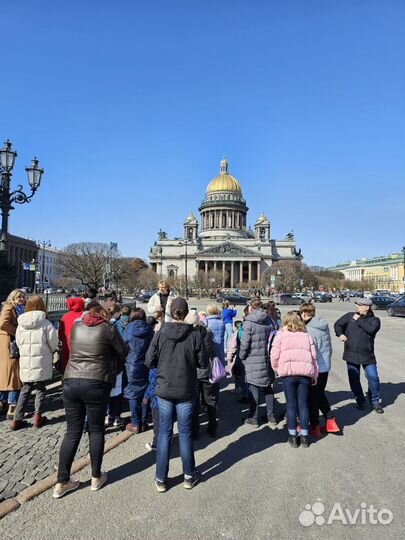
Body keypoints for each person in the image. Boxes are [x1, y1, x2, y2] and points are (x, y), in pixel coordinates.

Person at [53, 304, 128, 499]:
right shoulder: (108, 328)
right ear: (104, 315)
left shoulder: (77, 326)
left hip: (71, 380)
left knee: (72, 432)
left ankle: (62, 481)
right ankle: (96, 476)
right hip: (96, 381)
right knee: (95, 430)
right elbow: (123, 351)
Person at [145, 297, 208, 493]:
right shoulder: (195, 334)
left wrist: (162, 365)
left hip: (164, 387)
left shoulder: (161, 332)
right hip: (186, 389)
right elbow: (203, 362)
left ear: (172, 312)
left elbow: (149, 360)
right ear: (187, 312)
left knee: (164, 434)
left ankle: (161, 478)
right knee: (185, 433)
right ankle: (189, 475)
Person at [271, 311, 318, 448]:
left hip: (288, 374)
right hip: (304, 374)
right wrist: (314, 374)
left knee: (291, 405)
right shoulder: (306, 336)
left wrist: (277, 369)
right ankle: (304, 436)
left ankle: (292, 436)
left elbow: (274, 355)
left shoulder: (280, 336)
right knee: (303, 404)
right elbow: (314, 357)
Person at [13, 295, 59, 429]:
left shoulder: (21, 323)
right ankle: (38, 416)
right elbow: (53, 343)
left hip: (26, 359)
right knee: (40, 387)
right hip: (41, 359)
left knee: (25, 388)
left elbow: (19, 342)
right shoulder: (45, 323)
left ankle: (17, 418)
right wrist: (49, 351)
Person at [334, 298, 383, 413]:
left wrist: (358, 320)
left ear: (367, 307)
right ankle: (360, 401)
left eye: (359, 305)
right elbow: (338, 325)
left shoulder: (375, 320)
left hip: (367, 355)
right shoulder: (349, 316)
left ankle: (375, 401)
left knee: (373, 378)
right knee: (354, 379)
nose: (356, 307)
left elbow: (371, 330)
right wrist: (340, 334)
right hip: (351, 353)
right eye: (357, 305)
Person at [299, 303, 338, 437]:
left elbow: (310, 352)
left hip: (315, 368)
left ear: (304, 314)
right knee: (320, 394)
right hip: (325, 366)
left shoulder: (309, 330)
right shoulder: (322, 326)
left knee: (312, 399)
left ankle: (314, 426)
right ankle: (330, 420)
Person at [239, 299, 276, 427]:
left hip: (252, 358)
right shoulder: (269, 320)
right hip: (267, 358)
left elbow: (245, 344)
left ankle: (253, 418)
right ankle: (271, 416)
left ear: (251, 308)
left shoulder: (248, 323)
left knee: (253, 388)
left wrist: (242, 357)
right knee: (267, 387)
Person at [185, 309, 217, 438]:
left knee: (194, 402)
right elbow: (209, 350)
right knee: (210, 399)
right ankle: (212, 426)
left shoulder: (189, 335)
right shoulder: (207, 331)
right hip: (206, 370)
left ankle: (195, 430)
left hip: (193, 371)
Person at [123, 308, 154, 433]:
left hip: (131, 365)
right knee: (146, 392)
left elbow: (122, 346)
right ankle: (144, 420)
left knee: (133, 394)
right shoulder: (149, 330)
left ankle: (135, 422)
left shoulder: (128, 330)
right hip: (147, 365)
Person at [0, 289, 26, 419]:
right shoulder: (9, 306)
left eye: (23, 297)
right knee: (12, 376)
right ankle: (11, 406)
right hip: (9, 344)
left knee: (8, 375)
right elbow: (3, 324)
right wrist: (17, 332)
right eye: (18, 297)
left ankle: (4, 403)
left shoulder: (19, 308)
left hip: (11, 343)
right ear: (13, 298)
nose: (21, 299)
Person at [59, 297, 85, 372]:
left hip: (67, 346)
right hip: (81, 347)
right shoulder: (84, 316)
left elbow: (61, 333)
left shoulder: (65, 317)